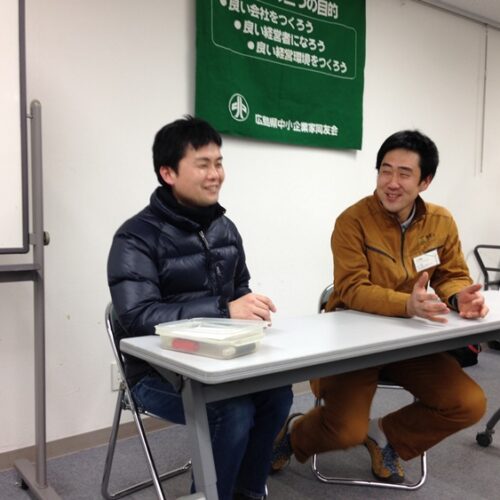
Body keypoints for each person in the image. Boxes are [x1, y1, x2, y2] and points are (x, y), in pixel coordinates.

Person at [271, 130, 488, 483]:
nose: (392, 182)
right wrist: (407, 304)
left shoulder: (440, 221)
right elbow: (352, 288)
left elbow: (452, 274)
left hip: (409, 342)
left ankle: (384, 434)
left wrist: (457, 296)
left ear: (425, 181)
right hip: (353, 343)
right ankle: (296, 433)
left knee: (468, 403)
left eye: (404, 174)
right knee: (345, 431)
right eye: (385, 171)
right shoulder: (352, 221)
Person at [107, 115, 293, 500]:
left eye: (219, 163)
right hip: (156, 375)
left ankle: (247, 492)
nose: (215, 175)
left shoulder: (225, 229)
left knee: (278, 394)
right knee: (233, 411)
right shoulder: (135, 238)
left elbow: (239, 289)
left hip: (221, 362)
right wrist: (224, 310)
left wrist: (250, 310)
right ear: (168, 173)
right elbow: (137, 318)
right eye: (203, 164)